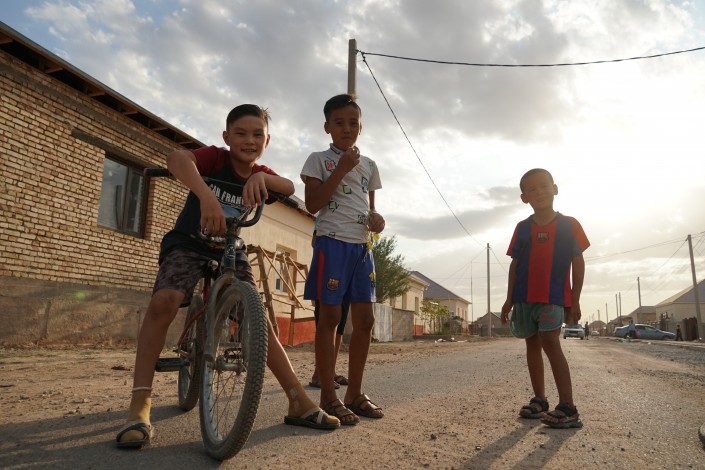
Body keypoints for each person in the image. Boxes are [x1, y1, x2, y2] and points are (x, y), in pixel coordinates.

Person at [116, 104, 339, 449]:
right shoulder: (214, 159)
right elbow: (177, 158)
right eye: (241, 133)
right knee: (165, 300)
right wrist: (205, 195)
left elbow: (287, 185)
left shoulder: (260, 173)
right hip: (189, 241)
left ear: (267, 141)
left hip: (229, 249)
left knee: (258, 321)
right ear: (226, 137)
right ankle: (139, 405)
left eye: (257, 135)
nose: (249, 140)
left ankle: (297, 399)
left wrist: (262, 179)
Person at [300, 93, 385, 425]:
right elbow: (313, 204)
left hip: (362, 248)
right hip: (332, 243)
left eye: (353, 123)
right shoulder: (318, 160)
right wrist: (342, 168)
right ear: (327, 127)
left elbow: (369, 208)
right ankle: (328, 395)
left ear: (361, 127)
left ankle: (355, 394)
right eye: (339, 122)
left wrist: (377, 219)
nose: (347, 128)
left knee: (365, 321)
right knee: (330, 317)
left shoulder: (370, 166)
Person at [500, 168, 589, 429]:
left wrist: (575, 299)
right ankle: (540, 400)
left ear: (555, 189)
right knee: (532, 343)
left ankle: (568, 407)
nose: (539, 192)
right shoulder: (522, 228)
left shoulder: (569, 225)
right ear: (524, 198)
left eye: (544, 186)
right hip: (524, 297)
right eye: (532, 189)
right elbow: (515, 265)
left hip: (553, 296)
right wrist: (509, 299)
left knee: (550, 342)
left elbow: (578, 263)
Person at [309, 217, 351, 389]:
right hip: (329, 267)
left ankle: (330, 371)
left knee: (339, 324)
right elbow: (314, 241)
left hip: (347, 269)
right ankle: (318, 374)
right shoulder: (327, 213)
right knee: (325, 322)